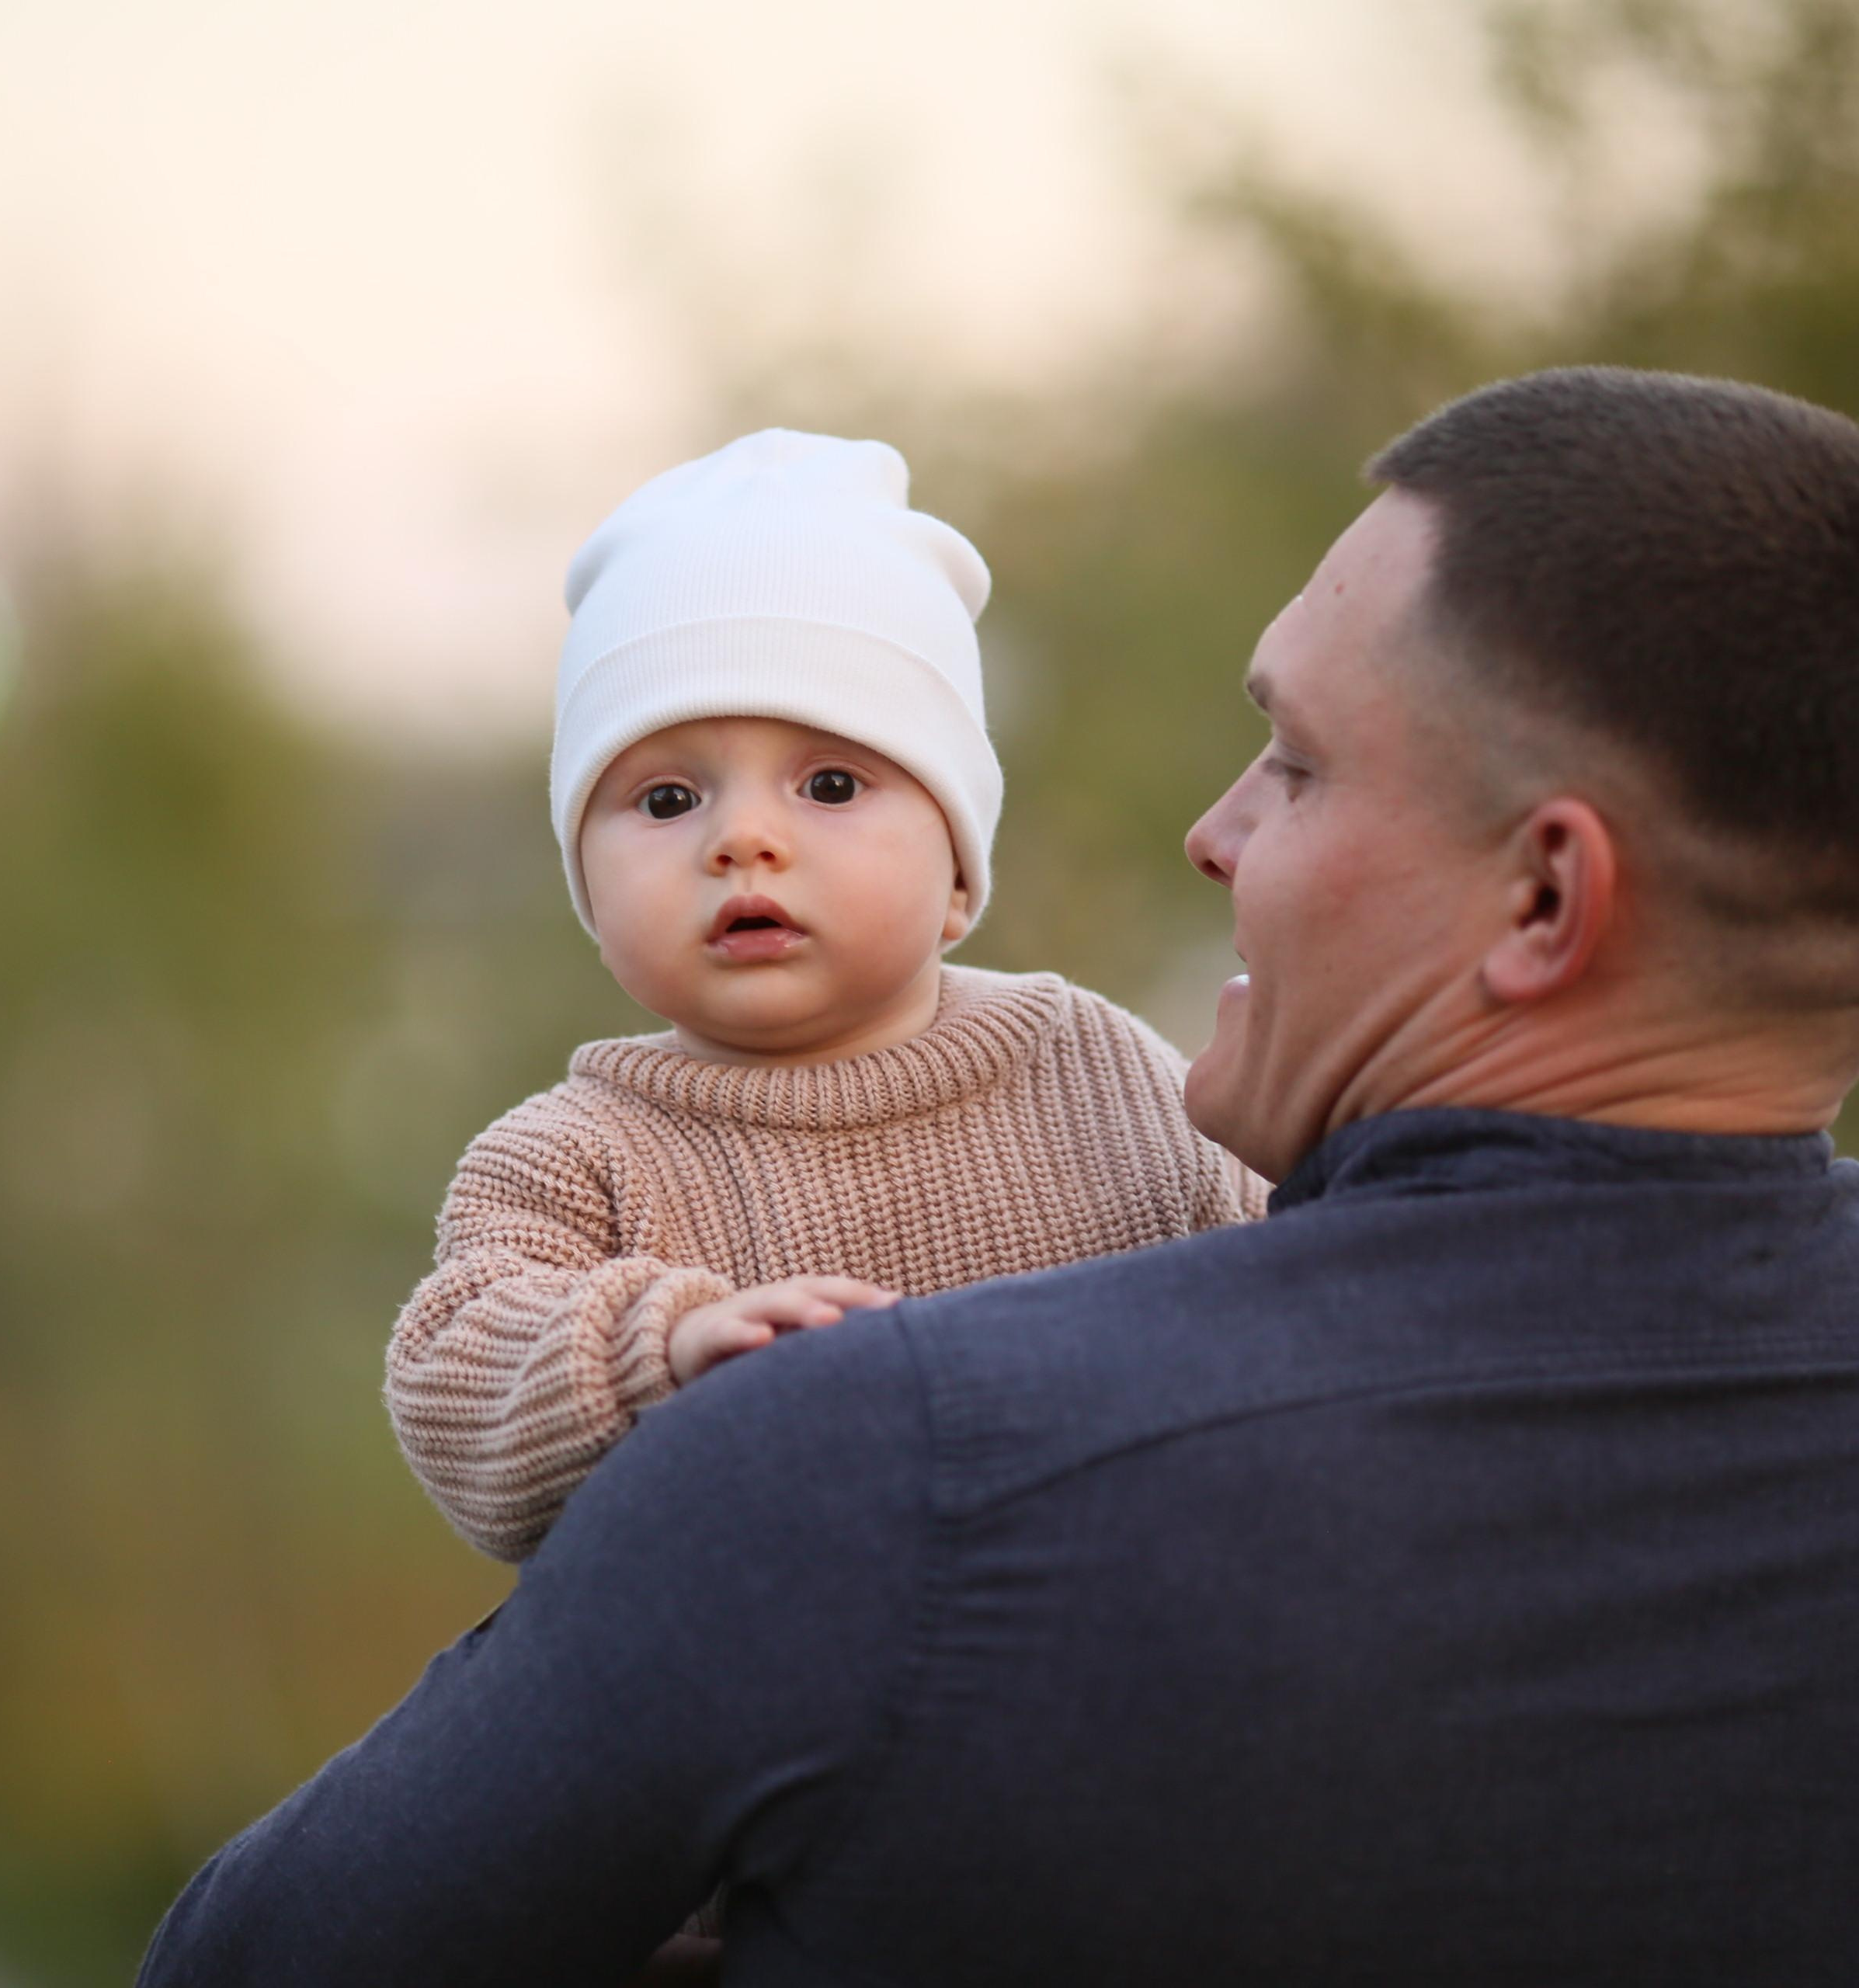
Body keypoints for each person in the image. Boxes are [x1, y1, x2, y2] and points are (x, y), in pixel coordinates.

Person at [138, 368, 1859, 1987]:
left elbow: (257, 1958)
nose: (1212, 833)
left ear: (1546, 897)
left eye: (1296, 764)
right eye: (662, 798)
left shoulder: (833, 1470)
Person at [385, 427, 1262, 1566]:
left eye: (833, 783)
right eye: (666, 800)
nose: (743, 837)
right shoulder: (573, 1157)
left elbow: (1280, 1289)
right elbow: (452, 1380)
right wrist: (666, 1348)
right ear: (588, 893)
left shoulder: (1095, 1066)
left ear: (959, 875)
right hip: (761, 1661)